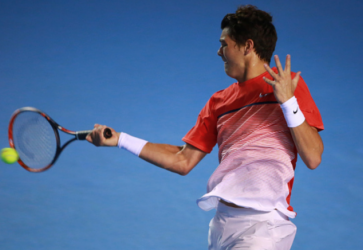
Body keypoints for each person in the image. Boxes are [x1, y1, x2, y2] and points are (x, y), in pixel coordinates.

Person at [86, 5, 324, 250]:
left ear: (247, 46)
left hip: (264, 228)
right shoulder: (218, 102)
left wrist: (288, 102)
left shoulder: (287, 85)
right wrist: (120, 139)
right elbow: (183, 160)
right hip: (221, 226)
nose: (219, 51)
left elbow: (313, 157)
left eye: (224, 44)